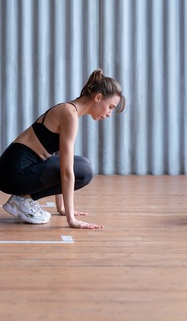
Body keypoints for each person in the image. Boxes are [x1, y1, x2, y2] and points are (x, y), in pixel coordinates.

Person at [0, 69, 126, 229]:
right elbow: (66, 172)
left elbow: (58, 161)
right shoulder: (69, 114)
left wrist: (63, 208)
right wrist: (71, 219)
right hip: (12, 173)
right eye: (110, 106)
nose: (109, 114)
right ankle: (21, 200)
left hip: (14, 171)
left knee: (82, 164)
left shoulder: (70, 111)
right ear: (98, 97)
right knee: (83, 170)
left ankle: (23, 199)